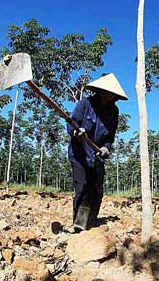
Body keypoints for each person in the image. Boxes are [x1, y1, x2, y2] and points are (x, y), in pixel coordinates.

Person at [67, 73, 128, 231]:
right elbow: (72, 122)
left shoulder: (114, 111)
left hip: (97, 157)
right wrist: (77, 133)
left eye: (112, 93)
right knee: (83, 188)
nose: (109, 96)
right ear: (99, 90)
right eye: (106, 92)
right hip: (79, 154)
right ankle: (79, 225)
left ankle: (91, 222)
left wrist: (106, 147)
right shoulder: (84, 104)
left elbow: (110, 136)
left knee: (96, 190)